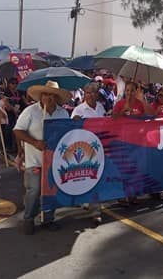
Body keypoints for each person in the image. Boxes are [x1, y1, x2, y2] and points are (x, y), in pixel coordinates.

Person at [14, 81, 70, 234]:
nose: (48, 98)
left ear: (56, 97)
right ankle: (29, 218)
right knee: (35, 190)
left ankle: (48, 218)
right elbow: (18, 131)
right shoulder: (30, 111)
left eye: (52, 95)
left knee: (51, 190)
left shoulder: (63, 113)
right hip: (35, 160)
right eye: (46, 94)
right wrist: (34, 142)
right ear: (41, 96)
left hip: (55, 161)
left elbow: (68, 134)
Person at [70, 82, 106, 223]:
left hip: (99, 147)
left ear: (97, 94)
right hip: (84, 150)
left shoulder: (101, 107)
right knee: (86, 178)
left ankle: (95, 211)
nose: (91, 95)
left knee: (96, 178)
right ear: (84, 94)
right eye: (88, 93)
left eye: (93, 92)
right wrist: (75, 122)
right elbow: (71, 130)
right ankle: (86, 201)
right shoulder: (78, 110)